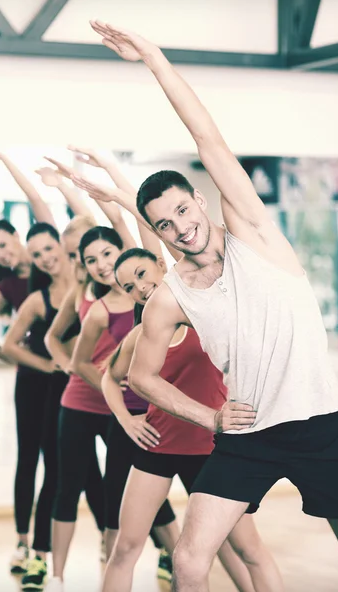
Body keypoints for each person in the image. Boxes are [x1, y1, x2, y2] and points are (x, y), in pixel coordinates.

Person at [90, 21, 338, 592]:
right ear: (157, 232)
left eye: (183, 211)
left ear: (198, 200)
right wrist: (209, 418)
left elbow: (207, 138)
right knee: (191, 562)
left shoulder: (253, 234)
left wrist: (154, 59)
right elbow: (140, 375)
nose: (181, 228)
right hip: (248, 435)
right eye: (164, 225)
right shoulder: (171, 295)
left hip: (320, 425)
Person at [100, 247, 282, 592]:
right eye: (128, 286)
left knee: (245, 549)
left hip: (213, 450)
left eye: (140, 274)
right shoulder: (141, 335)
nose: (138, 288)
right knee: (125, 547)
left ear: (159, 264)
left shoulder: (205, 315)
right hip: (158, 446)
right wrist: (126, 420)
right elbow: (110, 376)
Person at [44, 226, 176, 592]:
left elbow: (130, 223)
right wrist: (104, 379)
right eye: (91, 260)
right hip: (90, 405)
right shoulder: (95, 305)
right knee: (77, 488)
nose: (101, 264)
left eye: (107, 254)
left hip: (133, 412)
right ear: (84, 266)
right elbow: (76, 356)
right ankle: (58, 576)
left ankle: (171, 558)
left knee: (133, 492)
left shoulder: (150, 296)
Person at [1, 223, 106, 590]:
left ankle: (125, 550)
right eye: (37, 255)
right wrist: (50, 364)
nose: (45, 259)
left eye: (49, 250)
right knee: (59, 476)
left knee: (110, 476)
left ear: (63, 247)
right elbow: (11, 344)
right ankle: (40, 558)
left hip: (103, 390)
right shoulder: (37, 299)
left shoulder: (89, 286)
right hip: (62, 394)